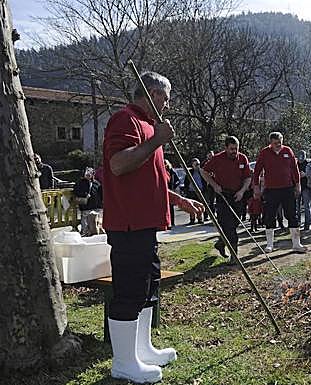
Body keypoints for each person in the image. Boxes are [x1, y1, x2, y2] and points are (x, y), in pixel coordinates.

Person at [103, 71, 204, 383]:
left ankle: (142, 349)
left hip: (147, 225)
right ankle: (123, 362)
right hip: (129, 224)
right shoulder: (125, 120)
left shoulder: (150, 127)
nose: (169, 105)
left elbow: (149, 178)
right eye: (165, 97)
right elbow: (119, 164)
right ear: (150, 93)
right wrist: (156, 141)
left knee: (148, 289)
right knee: (130, 291)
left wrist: (178, 200)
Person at [253, 132, 306, 253]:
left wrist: (298, 185)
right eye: (275, 143)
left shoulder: (288, 151)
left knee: (292, 215)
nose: (278, 145)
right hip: (271, 190)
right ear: (270, 143)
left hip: (287, 188)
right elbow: (257, 170)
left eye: (280, 142)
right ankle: (269, 245)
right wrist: (256, 186)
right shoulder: (264, 153)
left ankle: (296, 244)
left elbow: (294, 169)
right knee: (270, 216)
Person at [202, 136, 251, 260]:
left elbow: (247, 178)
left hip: (238, 196)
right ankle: (234, 255)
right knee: (227, 225)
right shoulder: (218, 159)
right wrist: (214, 185)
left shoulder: (242, 158)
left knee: (234, 224)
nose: (234, 151)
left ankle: (221, 243)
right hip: (223, 195)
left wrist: (242, 191)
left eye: (236, 149)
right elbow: (204, 172)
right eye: (231, 149)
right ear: (226, 148)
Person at [73, 167, 103, 236]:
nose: (88, 174)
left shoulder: (97, 183)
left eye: (90, 172)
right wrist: (85, 195)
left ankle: (96, 235)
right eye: (87, 172)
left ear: (93, 174)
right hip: (86, 208)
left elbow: (101, 194)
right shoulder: (79, 183)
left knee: (98, 224)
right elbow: (76, 192)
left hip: (97, 207)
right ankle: (85, 233)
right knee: (85, 226)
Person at [184, 158, 207, 225]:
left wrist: (204, 190)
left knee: (200, 206)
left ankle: (200, 219)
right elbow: (186, 182)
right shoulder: (189, 172)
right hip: (192, 192)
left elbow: (205, 181)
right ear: (193, 165)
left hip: (200, 191)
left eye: (199, 164)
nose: (198, 165)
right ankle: (192, 219)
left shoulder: (202, 171)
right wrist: (187, 190)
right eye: (196, 164)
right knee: (191, 206)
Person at [297, 150, 311, 231]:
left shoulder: (308, 164)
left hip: (306, 187)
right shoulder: (295, 164)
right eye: (299, 155)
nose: (301, 157)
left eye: (302, 155)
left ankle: (307, 223)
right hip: (297, 187)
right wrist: (297, 175)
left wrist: (306, 174)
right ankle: (297, 222)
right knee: (297, 207)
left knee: (306, 206)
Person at [164, 159, 180, 228]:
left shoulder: (172, 171)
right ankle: (166, 223)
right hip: (164, 191)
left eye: (166, 164)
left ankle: (172, 222)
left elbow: (177, 181)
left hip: (171, 190)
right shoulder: (162, 171)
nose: (165, 165)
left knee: (171, 208)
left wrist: (174, 187)